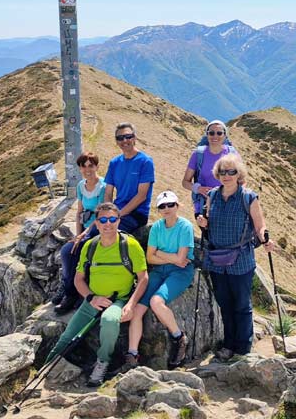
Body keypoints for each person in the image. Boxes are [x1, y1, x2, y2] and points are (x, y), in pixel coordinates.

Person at [46, 202, 148, 386]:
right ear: (97, 223)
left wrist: (131, 305)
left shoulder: (130, 245)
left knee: (109, 321)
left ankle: (102, 362)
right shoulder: (90, 246)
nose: (107, 223)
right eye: (102, 219)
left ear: (118, 220)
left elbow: (143, 278)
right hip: (92, 299)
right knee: (67, 336)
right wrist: (92, 298)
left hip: (118, 300)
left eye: (112, 219)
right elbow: (78, 279)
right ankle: (47, 366)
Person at [195, 154, 276, 360]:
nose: (227, 175)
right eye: (222, 172)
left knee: (241, 304)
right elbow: (208, 223)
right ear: (217, 174)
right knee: (224, 303)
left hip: (241, 259)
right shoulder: (212, 195)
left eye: (231, 172)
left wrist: (265, 238)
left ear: (239, 174)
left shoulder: (249, 197)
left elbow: (260, 225)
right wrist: (203, 222)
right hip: (217, 258)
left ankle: (242, 347)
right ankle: (228, 343)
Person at [124, 190, 195, 370]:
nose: (167, 209)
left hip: (181, 272)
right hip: (160, 270)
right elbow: (150, 258)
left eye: (170, 204)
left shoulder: (185, 226)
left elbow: (181, 261)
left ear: (177, 206)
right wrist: (171, 257)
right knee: (138, 309)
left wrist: (160, 254)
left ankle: (179, 337)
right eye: (162, 206)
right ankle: (132, 354)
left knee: (156, 301)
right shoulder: (156, 227)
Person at [54, 152, 108, 313]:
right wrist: (78, 234)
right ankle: (67, 287)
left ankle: (70, 294)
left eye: (91, 165)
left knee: (75, 251)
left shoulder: (103, 187)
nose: (87, 169)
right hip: (85, 229)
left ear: (97, 166)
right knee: (68, 251)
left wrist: (84, 235)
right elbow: (79, 212)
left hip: (98, 229)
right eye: (83, 166)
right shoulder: (80, 186)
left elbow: (101, 214)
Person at [104, 122, 155, 234]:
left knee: (109, 234)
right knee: (89, 235)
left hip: (137, 214)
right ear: (116, 141)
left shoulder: (145, 161)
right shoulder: (114, 163)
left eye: (128, 136)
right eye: (120, 138)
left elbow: (141, 196)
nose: (125, 141)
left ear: (134, 138)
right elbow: (108, 193)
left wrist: (119, 215)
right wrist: (109, 212)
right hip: (116, 212)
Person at [181, 119, 236, 216]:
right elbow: (185, 182)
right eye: (211, 133)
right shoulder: (198, 154)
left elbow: (242, 180)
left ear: (224, 135)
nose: (215, 136)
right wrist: (199, 189)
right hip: (203, 207)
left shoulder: (232, 153)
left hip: (228, 205)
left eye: (219, 133)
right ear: (207, 135)